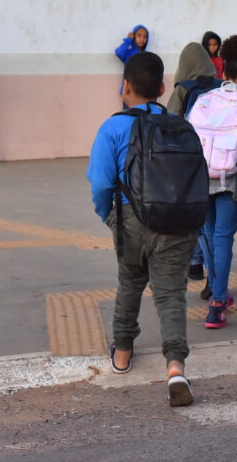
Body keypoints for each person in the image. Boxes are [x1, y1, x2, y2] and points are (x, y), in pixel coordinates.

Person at [86, 52, 199, 406]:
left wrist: (109, 216)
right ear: (163, 88)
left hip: (131, 219)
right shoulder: (181, 125)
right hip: (178, 222)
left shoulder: (114, 127)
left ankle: (122, 353)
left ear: (125, 86)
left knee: (131, 281)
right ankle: (175, 368)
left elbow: (100, 184)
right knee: (171, 295)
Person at [196, 35, 237, 329]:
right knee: (223, 237)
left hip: (202, 177)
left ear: (223, 73)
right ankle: (217, 303)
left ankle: (216, 290)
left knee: (209, 234)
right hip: (230, 179)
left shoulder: (205, 99)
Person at [166, 42, 219, 285]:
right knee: (212, 222)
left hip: (190, 161)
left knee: (195, 216)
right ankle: (211, 270)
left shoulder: (183, 90)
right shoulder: (221, 87)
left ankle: (197, 265)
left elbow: (170, 125)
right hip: (220, 161)